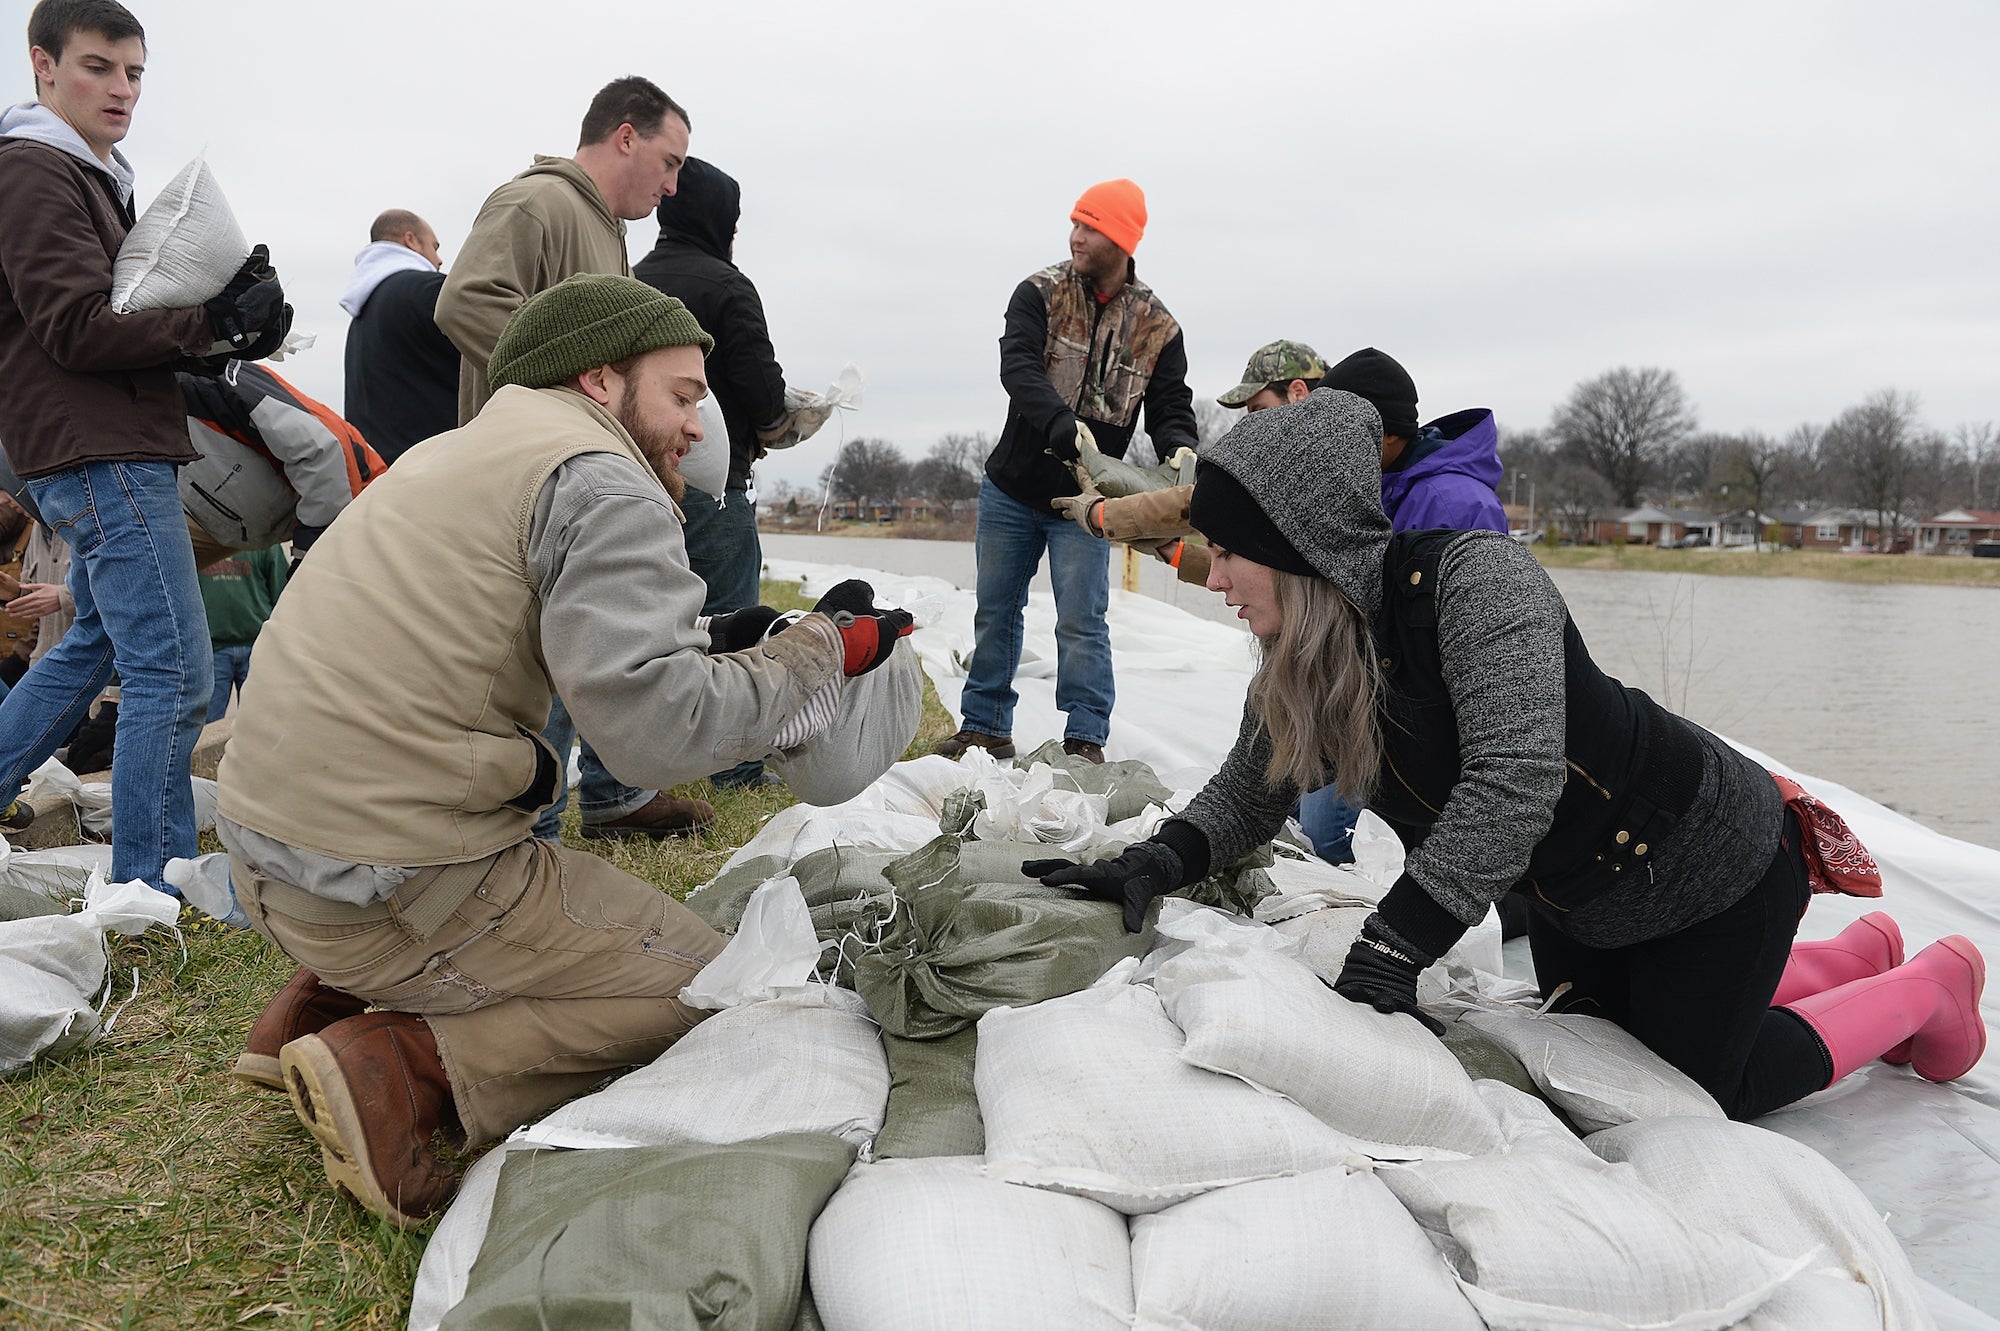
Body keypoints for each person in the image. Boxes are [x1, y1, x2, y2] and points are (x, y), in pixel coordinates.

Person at [1030, 388, 1986, 1122]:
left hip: (1713, 869)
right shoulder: (1311, 660)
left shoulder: (1474, 585)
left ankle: (1925, 985)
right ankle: (1856, 953)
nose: (1217, 576)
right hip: (1590, 902)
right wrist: (1156, 860)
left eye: (1230, 551)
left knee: (1708, 1092)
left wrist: (1393, 943)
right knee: (1596, 1051)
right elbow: (1254, 783)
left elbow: (1515, 775)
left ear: (1299, 544)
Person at [216, 275, 915, 1226]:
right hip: (384, 878)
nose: (697, 426)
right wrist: (816, 655)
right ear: (599, 380)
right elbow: (654, 730)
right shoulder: (602, 477)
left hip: (267, 846)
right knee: (718, 987)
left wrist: (722, 635)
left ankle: (318, 1003)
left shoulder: (467, 454)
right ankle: (408, 1066)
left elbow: (568, 637)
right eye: (681, 394)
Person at [0, 0, 292, 870]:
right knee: (172, 668)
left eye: (134, 72)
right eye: (97, 66)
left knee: (93, 645)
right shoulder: (34, 171)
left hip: (101, 442)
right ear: (42, 64)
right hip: (102, 450)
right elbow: (79, 328)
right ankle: (150, 882)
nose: (122, 88)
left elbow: (116, 319)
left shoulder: (91, 172)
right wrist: (209, 323)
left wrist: (237, 330)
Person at [435, 74, 704, 839]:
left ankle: (567, 820)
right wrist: (572, 393)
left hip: (575, 478)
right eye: (670, 160)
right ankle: (526, 840)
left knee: (568, 655)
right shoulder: (538, 203)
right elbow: (463, 301)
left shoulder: (609, 232)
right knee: (524, 666)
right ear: (626, 135)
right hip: (526, 480)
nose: (674, 183)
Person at [939, 179, 1198, 766]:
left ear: (1122, 240)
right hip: (1012, 487)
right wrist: (1059, 423)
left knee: (1083, 618)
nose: (1076, 236)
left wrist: (1180, 447)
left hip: (1089, 503)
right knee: (996, 609)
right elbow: (1019, 368)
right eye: (1075, 223)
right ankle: (984, 726)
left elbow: (1170, 405)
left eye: (1091, 227)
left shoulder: (1160, 327)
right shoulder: (1039, 293)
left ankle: (1085, 737)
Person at [634, 157, 804, 789]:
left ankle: (629, 779)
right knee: (733, 616)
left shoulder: (633, 278)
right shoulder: (729, 287)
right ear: (723, 221)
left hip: (636, 472)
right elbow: (763, 395)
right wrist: (783, 421)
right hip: (712, 478)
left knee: (645, 618)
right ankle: (734, 766)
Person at [179, 360, 388, 568]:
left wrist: (309, 555)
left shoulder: (211, 383)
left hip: (356, 494)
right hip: (237, 523)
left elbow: (324, 448)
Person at [339, 208, 458, 463]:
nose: (439, 260)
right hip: (437, 463)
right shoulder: (430, 292)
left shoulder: (363, 312)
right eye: (434, 247)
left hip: (380, 471)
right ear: (410, 240)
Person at [196, 545, 285, 722]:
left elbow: (282, 594)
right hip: (212, 650)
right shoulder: (197, 542)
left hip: (258, 648)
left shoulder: (265, 541)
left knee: (259, 722)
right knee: (207, 725)